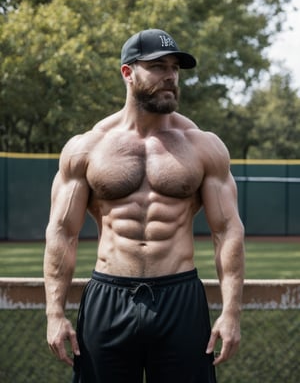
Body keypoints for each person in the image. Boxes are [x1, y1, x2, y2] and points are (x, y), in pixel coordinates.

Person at [44, 28, 245, 383]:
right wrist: (54, 313)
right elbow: (62, 233)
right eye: (158, 66)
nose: (170, 75)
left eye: (175, 68)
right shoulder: (87, 148)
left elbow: (227, 231)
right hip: (108, 297)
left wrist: (231, 313)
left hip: (180, 297)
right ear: (128, 72)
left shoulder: (203, 146)